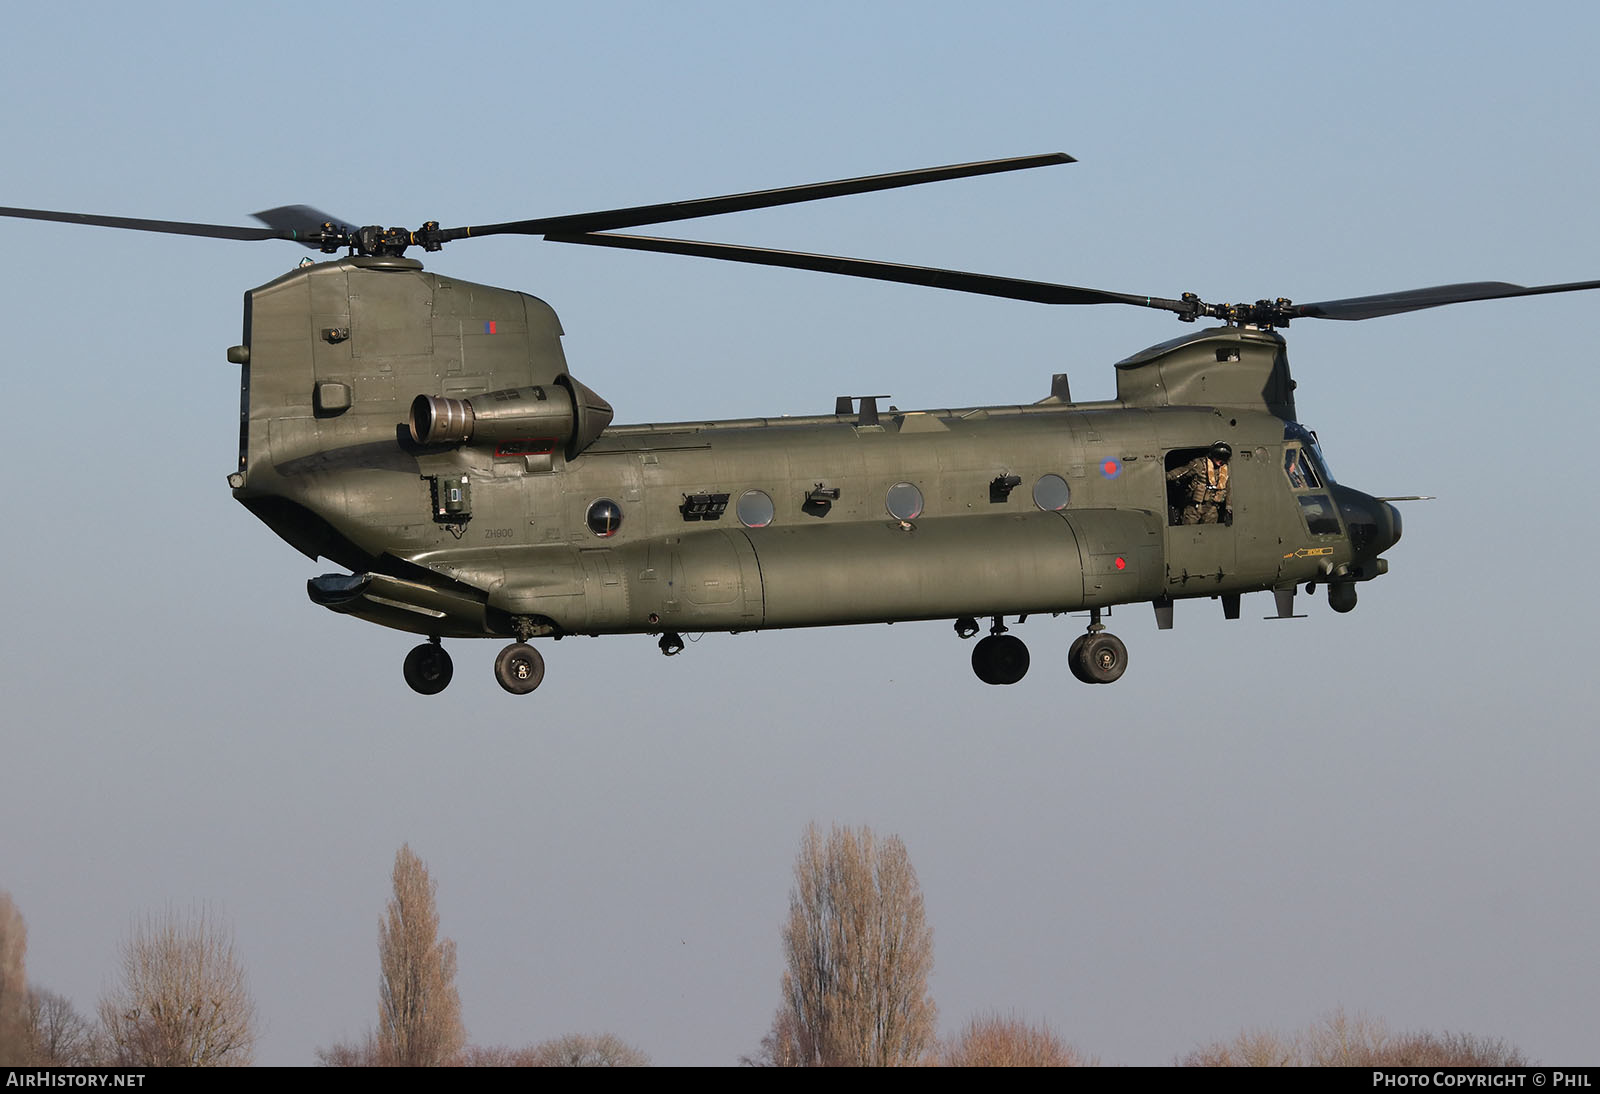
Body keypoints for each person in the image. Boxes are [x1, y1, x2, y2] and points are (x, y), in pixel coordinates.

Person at [1168, 442, 1232, 525]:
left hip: (1211, 508)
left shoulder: (1225, 470)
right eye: (1219, 457)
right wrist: (1168, 476)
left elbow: (1228, 489)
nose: (1221, 461)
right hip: (1194, 508)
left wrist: (1228, 507)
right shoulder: (1200, 464)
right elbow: (1182, 471)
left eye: (1224, 459)